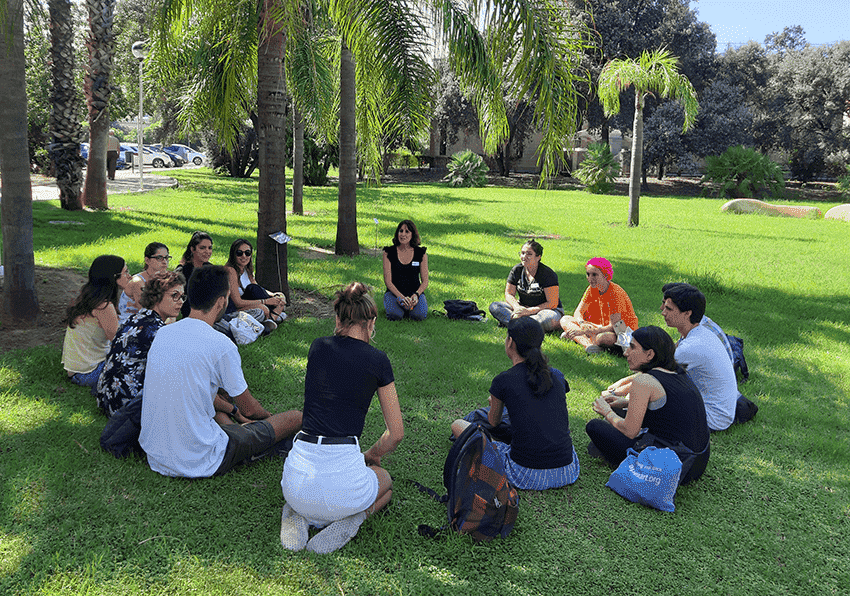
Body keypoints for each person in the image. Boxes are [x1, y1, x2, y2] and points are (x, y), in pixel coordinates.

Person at [138, 265, 302, 478]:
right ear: (221, 301)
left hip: (156, 454)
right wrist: (268, 421)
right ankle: (265, 446)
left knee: (222, 396)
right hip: (200, 458)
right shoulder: (221, 345)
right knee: (295, 418)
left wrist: (234, 411)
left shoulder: (163, 333)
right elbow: (249, 409)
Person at [280, 282, 404, 553]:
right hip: (344, 481)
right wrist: (371, 454)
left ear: (338, 318)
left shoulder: (317, 347)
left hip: (297, 478)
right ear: (371, 322)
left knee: (303, 493)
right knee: (386, 483)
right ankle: (353, 520)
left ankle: (299, 511)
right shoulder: (378, 360)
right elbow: (396, 433)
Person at [451, 317, 580, 490]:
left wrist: (494, 403)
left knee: (457, 425)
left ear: (510, 342)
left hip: (525, 474)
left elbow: (493, 422)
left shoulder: (503, 381)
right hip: (568, 470)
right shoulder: (557, 375)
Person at [585, 326, 710, 485]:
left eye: (632, 347)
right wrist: (625, 402)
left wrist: (606, 412)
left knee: (595, 427)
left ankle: (618, 457)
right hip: (698, 461)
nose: (626, 353)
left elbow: (630, 431)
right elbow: (669, 408)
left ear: (650, 354)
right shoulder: (678, 372)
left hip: (674, 466)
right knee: (620, 411)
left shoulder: (643, 381)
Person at [96, 271, 185, 417]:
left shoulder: (134, 319)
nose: (180, 301)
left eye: (182, 296)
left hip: (106, 396)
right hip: (126, 406)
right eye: (174, 295)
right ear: (156, 297)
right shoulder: (157, 330)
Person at [661, 283, 738, 431]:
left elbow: (654, 375)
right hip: (716, 410)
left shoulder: (692, 347)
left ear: (687, 313)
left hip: (713, 418)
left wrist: (617, 392)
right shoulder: (699, 332)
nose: (663, 312)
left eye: (669, 309)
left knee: (653, 397)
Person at [62, 255, 131, 392]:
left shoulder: (92, 298)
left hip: (77, 371)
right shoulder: (104, 306)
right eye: (126, 272)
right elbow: (119, 342)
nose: (130, 276)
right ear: (114, 277)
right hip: (87, 373)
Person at [559, 257, 638, 354]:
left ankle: (577, 337)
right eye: (588, 274)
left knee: (603, 338)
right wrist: (582, 323)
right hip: (597, 327)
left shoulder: (615, 293)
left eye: (594, 275)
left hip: (621, 332)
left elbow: (615, 326)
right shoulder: (591, 289)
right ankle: (588, 345)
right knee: (565, 319)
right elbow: (578, 312)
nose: (590, 278)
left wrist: (588, 331)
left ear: (605, 275)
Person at [489, 240, 562, 332]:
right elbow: (509, 294)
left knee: (547, 319)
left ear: (538, 257)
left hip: (545, 311)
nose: (524, 257)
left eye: (529, 254)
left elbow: (552, 303)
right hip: (522, 308)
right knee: (495, 306)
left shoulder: (547, 274)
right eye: (522, 253)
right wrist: (517, 308)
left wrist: (529, 311)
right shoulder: (517, 270)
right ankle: (522, 325)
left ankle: (513, 323)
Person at [224, 238, 286, 327]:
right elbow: (238, 303)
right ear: (233, 254)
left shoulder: (246, 269)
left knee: (275, 297)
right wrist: (265, 302)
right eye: (239, 253)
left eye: (247, 253)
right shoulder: (230, 271)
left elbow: (257, 288)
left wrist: (274, 295)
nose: (244, 256)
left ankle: (271, 317)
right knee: (261, 310)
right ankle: (273, 317)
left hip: (248, 304)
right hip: (233, 309)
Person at [382, 219, 429, 321]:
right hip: (394, 293)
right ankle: (400, 307)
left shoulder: (421, 253)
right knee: (395, 315)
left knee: (419, 316)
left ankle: (411, 307)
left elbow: (425, 281)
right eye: (401, 231)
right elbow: (388, 281)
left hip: (414, 293)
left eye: (407, 231)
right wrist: (401, 297)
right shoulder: (388, 252)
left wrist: (416, 295)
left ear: (413, 234)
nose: (403, 234)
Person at [118, 242, 171, 324]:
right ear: (147, 260)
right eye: (159, 258)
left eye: (166, 258)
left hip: (146, 322)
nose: (165, 262)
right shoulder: (138, 282)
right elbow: (147, 312)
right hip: (130, 326)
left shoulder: (164, 279)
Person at [176, 231, 213, 318]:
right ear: (192, 249)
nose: (207, 251)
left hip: (212, 316)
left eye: (210, 248)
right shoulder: (183, 272)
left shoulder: (212, 269)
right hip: (191, 317)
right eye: (202, 248)